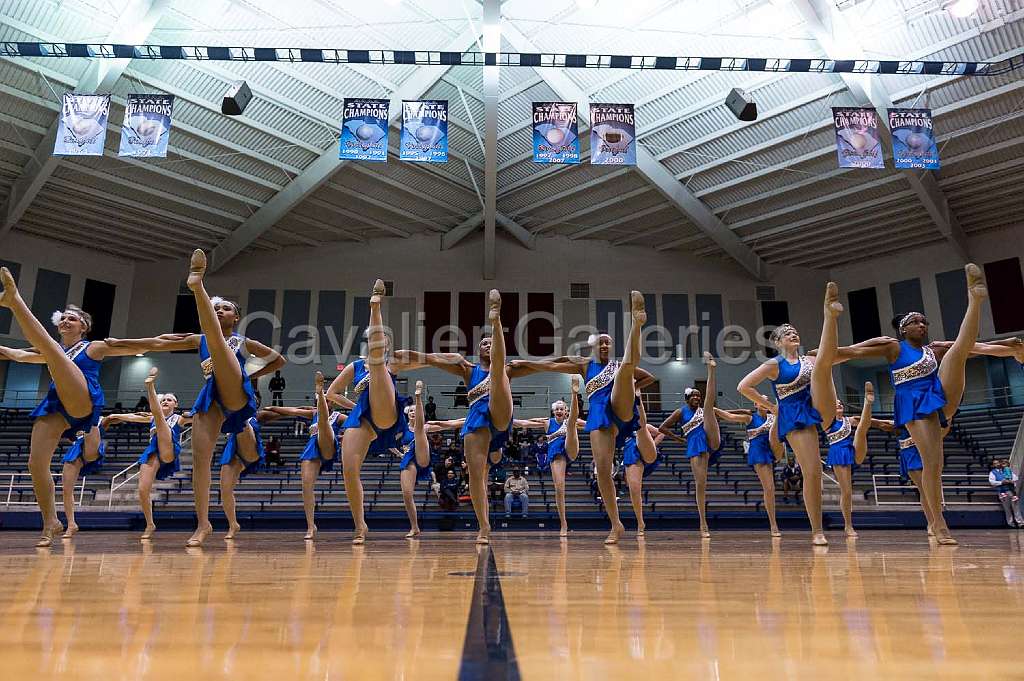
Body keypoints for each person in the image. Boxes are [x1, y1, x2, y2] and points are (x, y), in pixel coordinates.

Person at [821, 265, 1023, 544]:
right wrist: (821, 354)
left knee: (958, 350)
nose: (923, 325)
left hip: (939, 394)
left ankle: (975, 299)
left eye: (925, 321)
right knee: (933, 465)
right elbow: (846, 352)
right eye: (916, 321)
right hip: (914, 404)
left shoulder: (935, 348)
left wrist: (1012, 347)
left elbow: (979, 347)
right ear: (904, 328)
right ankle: (938, 524)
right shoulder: (892, 347)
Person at [103, 250, 286, 546]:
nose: (222, 311)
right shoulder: (198, 340)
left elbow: (278, 360)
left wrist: (249, 376)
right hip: (210, 396)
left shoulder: (243, 341)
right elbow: (159, 341)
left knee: (220, 350)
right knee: (201, 462)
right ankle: (203, 524)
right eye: (218, 308)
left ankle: (197, 286)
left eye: (226, 308)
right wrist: (121, 344)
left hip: (237, 392)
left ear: (236, 317)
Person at [0, 287, 157, 547]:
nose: (65, 321)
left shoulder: (92, 347)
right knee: (35, 464)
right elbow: (14, 354)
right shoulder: (49, 351)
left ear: (84, 327)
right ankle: (50, 520)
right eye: (63, 318)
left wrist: (180, 342)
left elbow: (139, 345)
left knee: (52, 353)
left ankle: (16, 303)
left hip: (82, 399)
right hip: (55, 403)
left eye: (72, 318)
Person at [508, 291, 654, 545]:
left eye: (609, 342)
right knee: (603, 473)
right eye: (602, 343)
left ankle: (637, 324)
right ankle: (616, 524)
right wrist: (527, 363)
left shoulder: (618, 365)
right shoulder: (585, 365)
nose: (606, 345)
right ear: (594, 347)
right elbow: (555, 364)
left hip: (620, 405)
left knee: (626, 370)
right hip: (599, 416)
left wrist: (635, 387)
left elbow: (647, 376)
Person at [392, 291, 514, 545]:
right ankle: (484, 526)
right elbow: (435, 360)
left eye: (492, 341)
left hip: (501, 413)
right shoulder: (468, 370)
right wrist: (414, 357)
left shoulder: (507, 367)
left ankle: (497, 319)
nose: (487, 345)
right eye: (484, 343)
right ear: (476, 350)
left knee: (501, 370)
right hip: (477, 419)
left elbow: (549, 364)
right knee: (476, 476)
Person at [738, 281, 843, 545]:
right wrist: (774, 408)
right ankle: (817, 530)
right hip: (794, 415)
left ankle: (829, 317)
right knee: (813, 471)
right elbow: (743, 386)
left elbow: (835, 358)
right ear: (777, 342)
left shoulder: (809, 360)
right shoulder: (774, 364)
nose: (793, 334)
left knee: (824, 360)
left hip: (818, 405)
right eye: (787, 333)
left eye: (795, 332)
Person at [327, 279, 409, 545]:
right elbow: (331, 394)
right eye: (376, 339)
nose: (380, 342)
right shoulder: (354, 367)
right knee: (349, 470)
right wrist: (354, 409)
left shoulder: (394, 361)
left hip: (386, 411)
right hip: (362, 415)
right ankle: (360, 525)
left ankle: (375, 306)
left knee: (378, 367)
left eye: (384, 339)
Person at [105, 368, 192, 540]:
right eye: (164, 399)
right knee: (143, 489)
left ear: (176, 404)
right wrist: (113, 415)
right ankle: (150, 523)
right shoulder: (150, 417)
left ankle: (150, 387)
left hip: (169, 450)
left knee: (160, 422)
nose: (166, 401)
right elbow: (131, 416)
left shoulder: (180, 418)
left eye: (170, 399)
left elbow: (201, 418)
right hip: (153, 451)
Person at [268, 372, 354, 541]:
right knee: (306, 485)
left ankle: (319, 390)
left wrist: (344, 437)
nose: (326, 403)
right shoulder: (313, 413)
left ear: (333, 403)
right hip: (312, 448)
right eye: (323, 400)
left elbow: (356, 426)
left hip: (329, 445)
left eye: (328, 400)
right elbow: (293, 411)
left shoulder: (338, 416)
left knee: (324, 426)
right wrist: (272, 408)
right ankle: (310, 525)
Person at [657, 353, 722, 538]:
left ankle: (711, 369)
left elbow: (726, 414)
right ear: (687, 398)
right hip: (695, 444)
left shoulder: (704, 410)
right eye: (693, 395)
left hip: (710, 438)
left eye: (698, 395)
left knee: (710, 406)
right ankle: (703, 522)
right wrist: (679, 439)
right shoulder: (681, 411)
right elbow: (662, 427)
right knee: (701, 484)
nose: (696, 398)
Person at [513, 378, 584, 536]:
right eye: (557, 409)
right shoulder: (547, 423)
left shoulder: (572, 420)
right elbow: (525, 423)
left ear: (565, 411)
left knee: (572, 423)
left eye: (562, 409)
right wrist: (508, 420)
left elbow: (593, 425)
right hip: (557, 454)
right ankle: (563, 523)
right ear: (553, 411)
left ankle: (574, 394)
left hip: (571, 447)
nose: (559, 411)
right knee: (559, 488)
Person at [821, 382, 893, 538]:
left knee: (861, 429)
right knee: (846, 492)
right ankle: (848, 526)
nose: (839, 404)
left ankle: (868, 401)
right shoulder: (827, 422)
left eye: (840, 403)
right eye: (836, 403)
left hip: (852, 450)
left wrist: (887, 423)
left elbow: (871, 421)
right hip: (839, 454)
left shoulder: (849, 420)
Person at [396, 381, 464, 538]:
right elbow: (388, 441)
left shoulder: (426, 426)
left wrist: (470, 420)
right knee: (407, 494)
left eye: (415, 411)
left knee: (421, 429)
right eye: (411, 411)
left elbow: (449, 424)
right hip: (409, 460)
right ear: (407, 413)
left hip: (423, 456)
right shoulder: (402, 429)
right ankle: (414, 527)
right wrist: (398, 453)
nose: (413, 413)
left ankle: (419, 397)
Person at [715, 398, 785, 537]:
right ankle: (773, 524)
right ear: (756, 404)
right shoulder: (750, 418)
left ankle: (773, 523)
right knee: (769, 488)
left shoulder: (774, 417)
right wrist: (713, 409)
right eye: (761, 401)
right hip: (758, 452)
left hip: (772, 450)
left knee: (771, 489)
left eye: (766, 401)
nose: (765, 403)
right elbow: (730, 417)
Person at [623, 393, 666, 537]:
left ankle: (638, 396)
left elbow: (661, 433)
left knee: (642, 427)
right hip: (631, 453)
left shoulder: (645, 425)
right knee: (634, 489)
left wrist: (653, 445)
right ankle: (640, 521)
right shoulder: (623, 427)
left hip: (646, 448)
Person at [990, 458, 1023, 528]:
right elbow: (992, 482)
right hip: (1002, 492)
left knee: (1016, 507)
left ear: (1000, 463)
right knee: (1007, 508)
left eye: (998, 463)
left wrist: (1011, 480)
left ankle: (1020, 523)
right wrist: (1002, 482)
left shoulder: (1007, 469)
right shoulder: (992, 472)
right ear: (993, 465)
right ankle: (1011, 524)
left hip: (1011, 491)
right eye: (995, 463)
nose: (997, 464)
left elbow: (1015, 477)